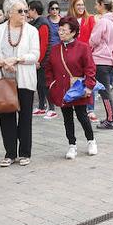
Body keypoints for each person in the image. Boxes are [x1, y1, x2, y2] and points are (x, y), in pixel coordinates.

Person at [0, 0, 40, 166]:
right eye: (20, 11)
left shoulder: (32, 31)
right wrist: (1, 62)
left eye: (25, 10)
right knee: (6, 117)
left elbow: (35, 54)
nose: (24, 14)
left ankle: (25, 153)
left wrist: (16, 60)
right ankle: (10, 153)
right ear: (10, 13)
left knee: (25, 117)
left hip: (24, 79)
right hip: (3, 80)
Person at [44, 16, 97, 159]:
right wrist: (51, 85)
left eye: (64, 30)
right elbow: (48, 69)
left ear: (73, 32)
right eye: (59, 29)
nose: (60, 32)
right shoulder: (55, 49)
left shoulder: (83, 48)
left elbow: (90, 68)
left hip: (78, 90)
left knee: (82, 116)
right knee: (67, 118)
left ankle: (91, 140)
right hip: (62, 90)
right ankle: (72, 145)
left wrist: (89, 86)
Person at [90, 0, 113, 130]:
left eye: (97, 4)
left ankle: (110, 119)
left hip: (100, 60)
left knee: (105, 92)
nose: (95, 6)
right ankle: (112, 118)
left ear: (102, 4)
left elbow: (94, 40)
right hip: (107, 60)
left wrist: (89, 45)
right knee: (106, 91)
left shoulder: (103, 21)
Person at [27, 0, 52, 116]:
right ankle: (42, 106)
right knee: (39, 84)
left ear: (34, 10)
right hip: (38, 60)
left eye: (29, 10)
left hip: (43, 61)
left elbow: (43, 45)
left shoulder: (43, 23)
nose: (27, 12)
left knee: (45, 84)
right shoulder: (35, 23)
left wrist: (38, 61)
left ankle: (51, 108)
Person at [41, 0, 63, 120]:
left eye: (57, 8)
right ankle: (51, 107)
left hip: (60, 53)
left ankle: (63, 102)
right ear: (49, 10)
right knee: (48, 81)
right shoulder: (46, 21)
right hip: (49, 54)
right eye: (52, 8)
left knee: (61, 79)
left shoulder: (63, 21)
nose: (55, 10)